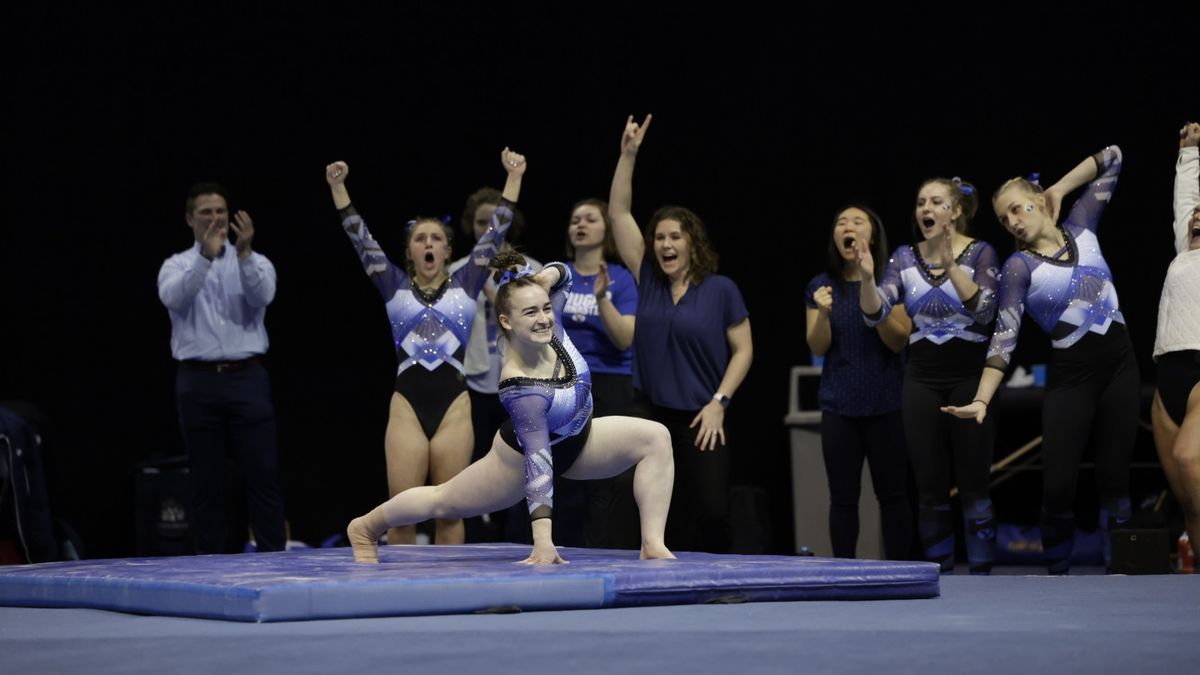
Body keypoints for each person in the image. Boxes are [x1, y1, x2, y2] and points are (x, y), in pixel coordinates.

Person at [346, 255, 675, 564]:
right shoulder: (519, 386)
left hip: (579, 440)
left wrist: (545, 277)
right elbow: (538, 460)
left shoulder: (552, 326)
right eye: (530, 313)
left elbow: (565, 274)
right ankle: (365, 526)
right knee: (442, 500)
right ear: (506, 320)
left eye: (546, 308)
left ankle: (652, 544)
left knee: (656, 437)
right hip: (516, 465)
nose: (543, 318)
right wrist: (543, 541)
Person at [944, 146, 1136, 574]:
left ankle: (1121, 571)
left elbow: (1114, 157)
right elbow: (1003, 340)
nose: (1012, 222)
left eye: (1016, 209)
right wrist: (981, 399)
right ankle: (1057, 574)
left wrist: (1060, 188)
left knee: (1114, 474)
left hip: (1120, 365)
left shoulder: (1083, 225)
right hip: (1072, 376)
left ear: (1035, 199)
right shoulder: (1018, 267)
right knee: (1059, 485)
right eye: (1003, 219)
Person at [325, 149, 524, 545]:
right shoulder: (392, 284)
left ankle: (450, 595)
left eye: (436, 239)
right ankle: (404, 596)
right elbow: (360, 239)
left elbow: (495, 233)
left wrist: (514, 176)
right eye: (420, 239)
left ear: (449, 250)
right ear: (410, 250)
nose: (428, 244)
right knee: (401, 512)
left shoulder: (467, 282)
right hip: (406, 405)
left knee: (450, 511)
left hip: (454, 403)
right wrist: (338, 187)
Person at [608, 115, 753, 554]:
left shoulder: (721, 289)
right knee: (631, 501)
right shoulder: (647, 279)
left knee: (710, 509)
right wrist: (628, 155)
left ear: (692, 242)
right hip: (649, 409)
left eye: (675, 236)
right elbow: (617, 212)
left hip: (699, 414)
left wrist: (719, 403)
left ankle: (717, 583)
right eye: (659, 238)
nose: (665, 244)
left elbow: (744, 350)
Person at [858, 177, 1000, 573]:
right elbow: (874, 314)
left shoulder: (982, 252)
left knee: (973, 485)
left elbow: (986, 312)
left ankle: (985, 577)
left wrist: (952, 265)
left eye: (936, 201)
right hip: (920, 380)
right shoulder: (903, 257)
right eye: (921, 202)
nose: (926, 209)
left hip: (969, 377)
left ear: (955, 211)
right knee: (930, 488)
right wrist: (868, 279)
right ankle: (943, 578)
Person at [157, 182, 286, 554]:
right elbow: (173, 296)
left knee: (262, 474)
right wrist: (205, 259)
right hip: (197, 381)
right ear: (189, 219)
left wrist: (243, 255)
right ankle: (211, 564)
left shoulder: (255, 260)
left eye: (221, 213)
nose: (215, 219)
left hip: (247, 376)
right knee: (206, 479)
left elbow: (263, 296)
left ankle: (274, 560)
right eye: (206, 213)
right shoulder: (176, 264)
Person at [805, 205, 913, 560]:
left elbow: (896, 340)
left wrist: (869, 283)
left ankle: (901, 573)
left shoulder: (892, 280)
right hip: (839, 405)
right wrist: (822, 312)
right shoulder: (821, 286)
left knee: (894, 496)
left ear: (873, 234)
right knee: (843, 499)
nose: (847, 227)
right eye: (840, 222)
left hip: (887, 403)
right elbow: (818, 347)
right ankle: (842, 573)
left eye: (857, 221)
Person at [562, 198, 641, 548]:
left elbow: (625, 339)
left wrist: (602, 299)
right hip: (563, 382)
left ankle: (600, 551)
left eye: (590, 219)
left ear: (605, 231)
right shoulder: (558, 274)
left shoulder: (621, 279)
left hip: (610, 381)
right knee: (564, 469)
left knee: (604, 478)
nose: (580, 224)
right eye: (575, 219)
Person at [1152, 121, 1200, 558]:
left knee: (1190, 460)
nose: (1197, 215)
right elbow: (1183, 202)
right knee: (1188, 502)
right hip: (1169, 374)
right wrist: (1189, 152)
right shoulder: (1186, 252)